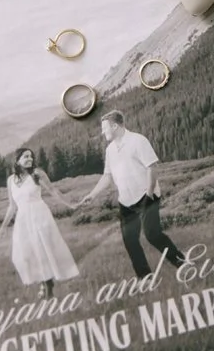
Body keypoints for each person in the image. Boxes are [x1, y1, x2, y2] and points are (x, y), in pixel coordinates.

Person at [77, 110, 186, 277]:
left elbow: (151, 167)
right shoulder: (110, 150)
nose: (102, 132)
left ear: (115, 126)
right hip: (126, 201)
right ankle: (145, 277)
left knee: (153, 235)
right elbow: (107, 177)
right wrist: (92, 195)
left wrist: (149, 194)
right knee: (130, 240)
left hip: (146, 196)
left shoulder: (138, 140)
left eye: (105, 128)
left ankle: (182, 264)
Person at [0, 147, 78, 298]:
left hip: (40, 215)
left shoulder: (37, 174)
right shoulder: (11, 181)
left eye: (31, 156)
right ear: (17, 160)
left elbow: (53, 191)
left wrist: (70, 205)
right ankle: (44, 282)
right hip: (23, 219)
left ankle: (48, 288)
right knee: (25, 254)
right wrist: (3, 227)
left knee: (41, 250)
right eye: (25, 157)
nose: (29, 159)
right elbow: (12, 206)